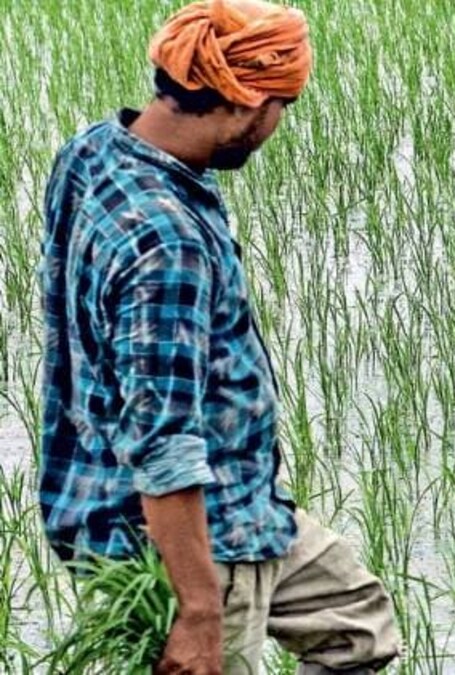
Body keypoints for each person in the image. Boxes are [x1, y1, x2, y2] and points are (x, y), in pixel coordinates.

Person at [39, 1, 399, 672]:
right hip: (194, 540)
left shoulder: (92, 151)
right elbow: (163, 442)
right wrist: (199, 607)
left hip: (240, 499)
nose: (276, 127)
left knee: (357, 620)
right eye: (282, 107)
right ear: (250, 101)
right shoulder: (165, 241)